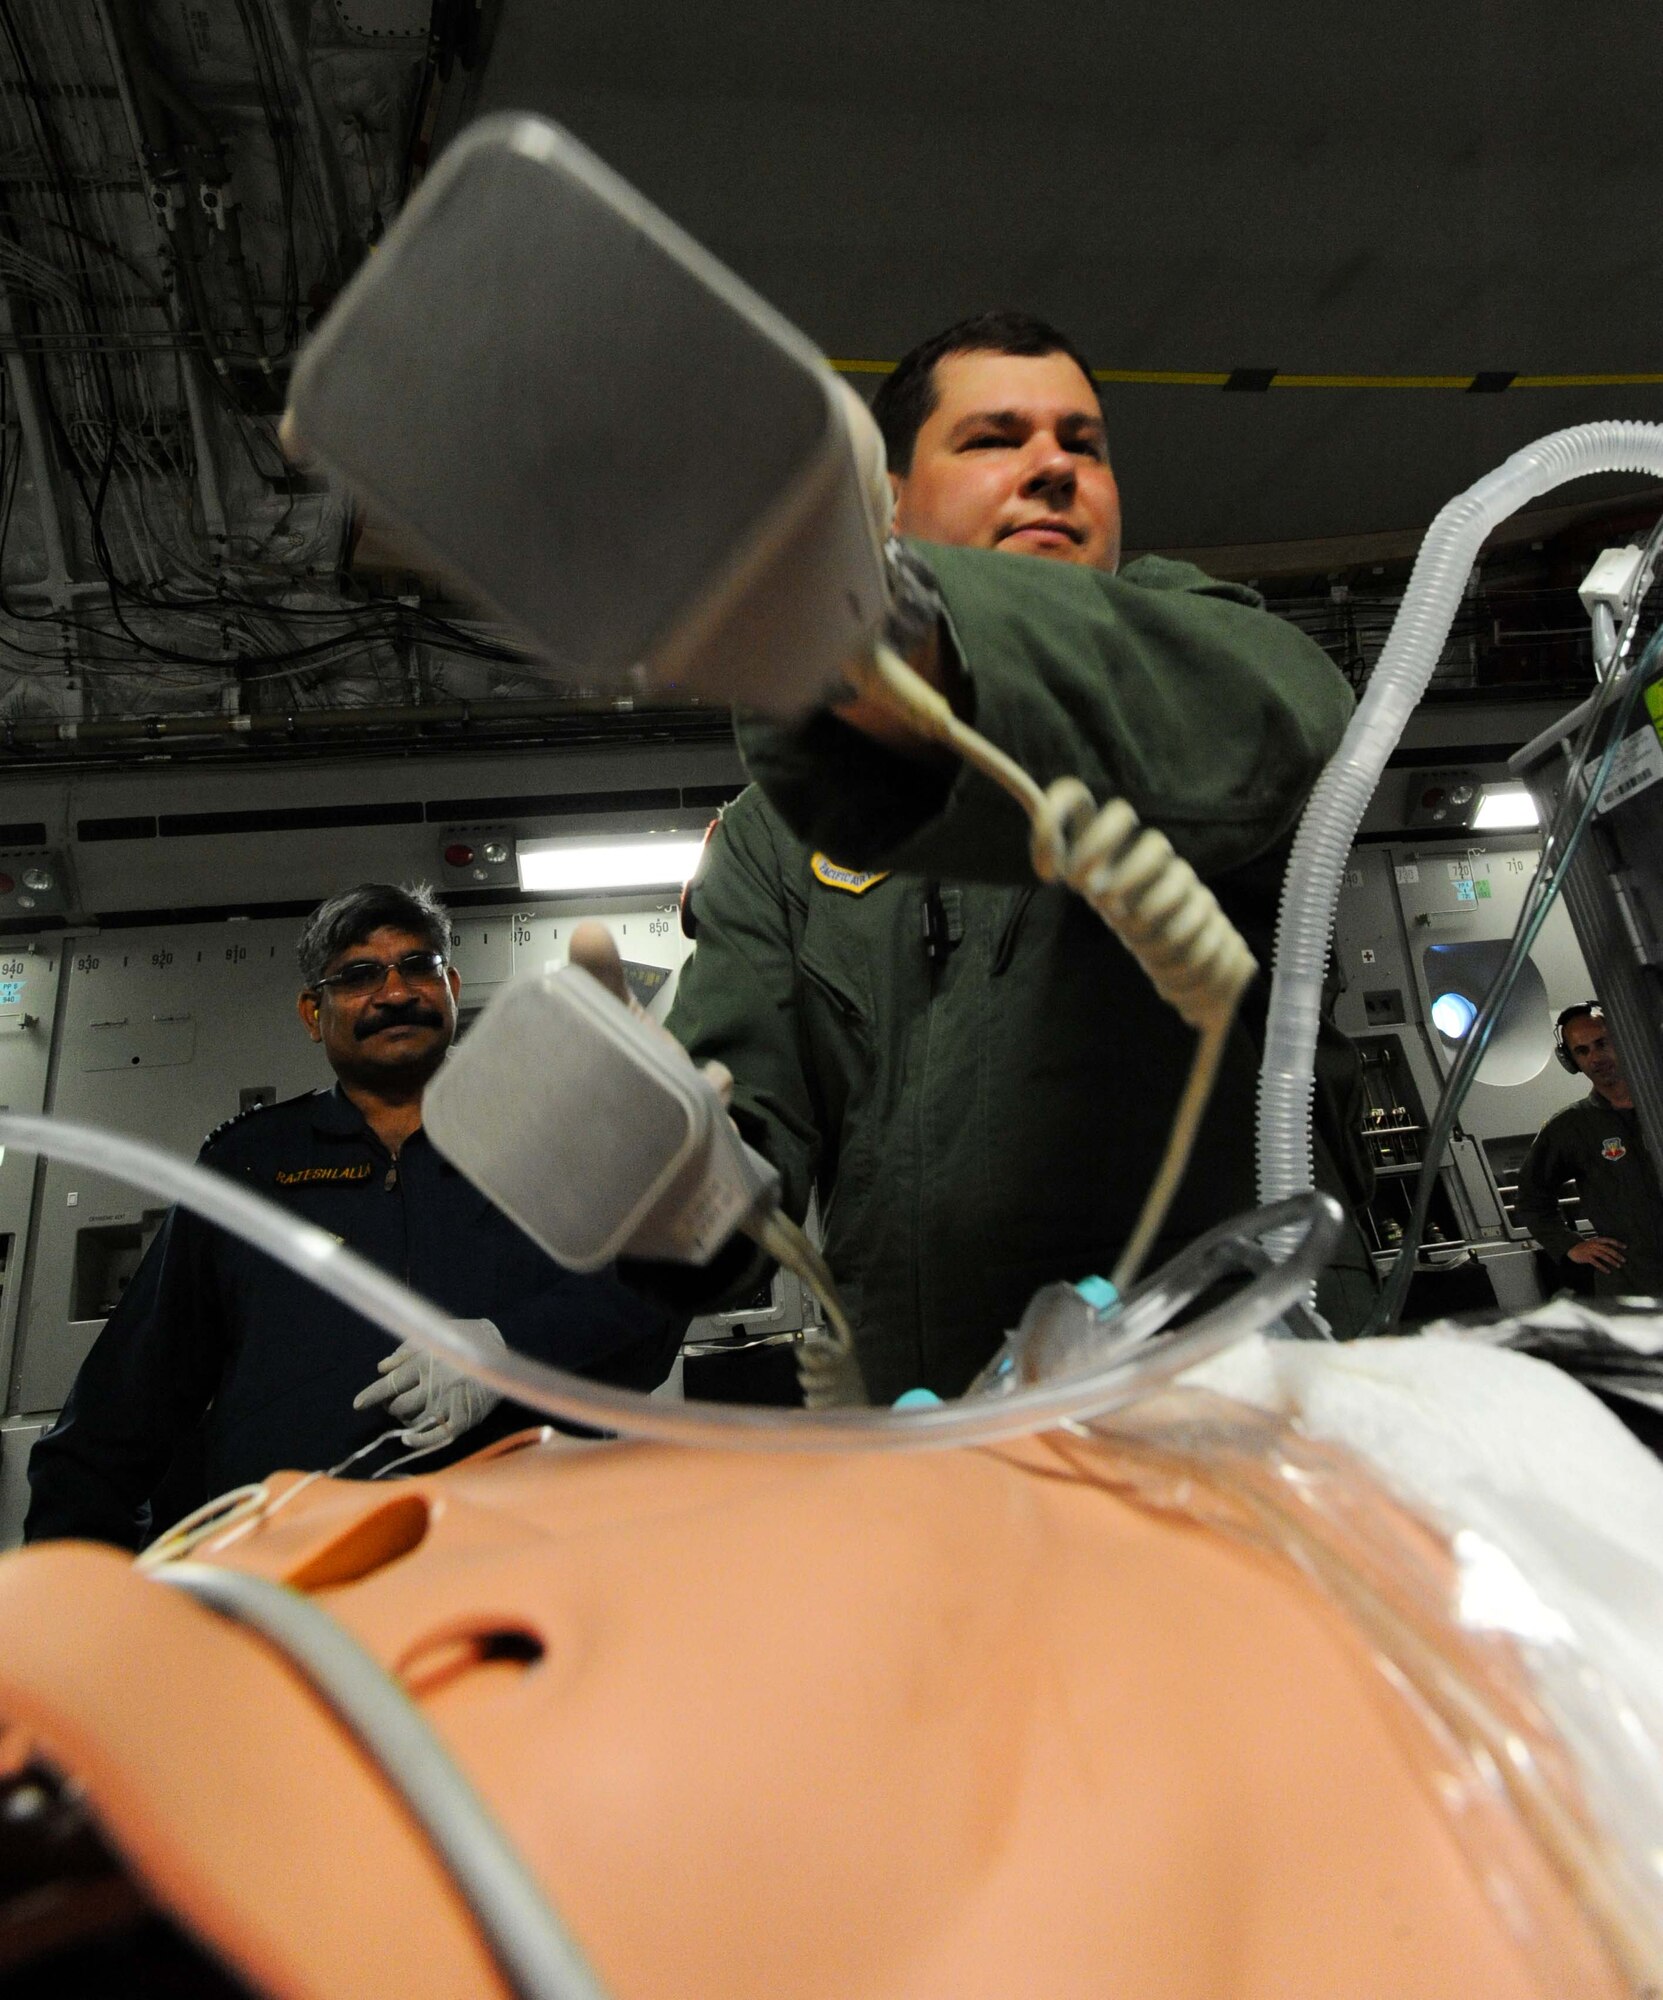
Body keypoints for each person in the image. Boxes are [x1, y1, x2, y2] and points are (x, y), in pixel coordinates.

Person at [660, 311, 1374, 1406]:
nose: (1052, 465)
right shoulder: (775, 834)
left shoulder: (1206, 651)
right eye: (995, 438)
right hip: (934, 1424)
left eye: (1082, 443)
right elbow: (745, 1130)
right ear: (890, 500)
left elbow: (1269, 718)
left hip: (1232, 1396)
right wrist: (654, 1171)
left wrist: (911, 636)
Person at [25, 883, 684, 1548]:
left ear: (452, 987)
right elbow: (121, 1411)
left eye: (419, 966)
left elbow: (652, 1310)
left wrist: (508, 1349)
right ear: (313, 1013)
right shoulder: (248, 1166)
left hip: (524, 1555)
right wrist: (76, 1577)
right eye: (359, 976)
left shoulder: (555, 1137)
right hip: (297, 1568)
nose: (395, 993)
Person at [1516, 1003, 1663, 1298]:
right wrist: (1570, 1245)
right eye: (1582, 1051)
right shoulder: (1570, 1127)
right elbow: (1531, 1199)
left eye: (1602, 1043)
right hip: (1632, 1287)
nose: (1595, 1057)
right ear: (1570, 1060)